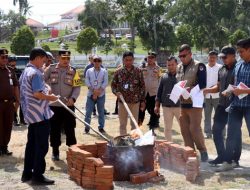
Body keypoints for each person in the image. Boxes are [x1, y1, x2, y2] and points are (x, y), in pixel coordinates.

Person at [19, 48, 58, 184]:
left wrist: (46, 89)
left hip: (30, 114)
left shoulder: (25, 71)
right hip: (40, 115)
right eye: (43, 60)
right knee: (41, 146)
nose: (44, 63)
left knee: (31, 145)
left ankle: (27, 173)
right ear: (37, 58)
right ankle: (37, 175)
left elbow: (32, 89)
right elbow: (37, 94)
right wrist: (50, 97)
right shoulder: (35, 73)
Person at [216, 38, 250, 171]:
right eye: (238, 51)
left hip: (249, 106)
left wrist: (244, 91)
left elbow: (244, 89)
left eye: (241, 51)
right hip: (236, 104)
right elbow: (237, 84)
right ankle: (229, 161)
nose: (239, 54)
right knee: (231, 133)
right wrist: (231, 89)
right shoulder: (239, 65)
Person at [44, 50, 80, 161]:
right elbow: (42, 81)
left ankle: (73, 150)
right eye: (63, 58)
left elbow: (77, 87)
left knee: (70, 128)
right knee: (54, 129)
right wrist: (47, 88)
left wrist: (73, 98)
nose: (66, 60)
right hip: (54, 105)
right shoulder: (50, 69)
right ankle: (55, 152)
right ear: (58, 58)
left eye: (68, 58)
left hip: (68, 105)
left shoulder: (73, 71)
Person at [203, 46, 237, 166]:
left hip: (235, 105)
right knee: (216, 130)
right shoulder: (221, 69)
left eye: (225, 57)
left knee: (234, 133)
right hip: (222, 104)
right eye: (221, 57)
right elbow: (218, 87)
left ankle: (234, 159)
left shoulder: (238, 68)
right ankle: (221, 156)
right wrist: (207, 90)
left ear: (233, 55)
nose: (223, 59)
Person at [176, 44, 208, 162]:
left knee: (194, 128)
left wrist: (190, 89)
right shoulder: (179, 67)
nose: (182, 58)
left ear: (190, 54)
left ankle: (203, 151)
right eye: (180, 56)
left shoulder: (199, 66)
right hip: (183, 103)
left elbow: (203, 84)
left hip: (195, 103)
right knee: (184, 129)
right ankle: (190, 152)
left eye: (184, 55)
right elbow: (179, 82)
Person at [111, 51, 146, 135]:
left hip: (135, 102)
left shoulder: (138, 71)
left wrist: (142, 101)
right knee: (122, 125)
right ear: (123, 60)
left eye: (130, 60)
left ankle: (133, 143)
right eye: (126, 60)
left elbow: (142, 86)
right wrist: (116, 93)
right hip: (122, 103)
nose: (128, 62)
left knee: (134, 124)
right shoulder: (118, 72)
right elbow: (113, 86)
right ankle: (123, 143)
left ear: (133, 60)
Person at [154, 56, 180, 141]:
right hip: (166, 107)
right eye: (168, 65)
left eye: (172, 64)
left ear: (176, 64)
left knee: (184, 127)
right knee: (167, 128)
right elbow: (159, 91)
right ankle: (169, 147)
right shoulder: (163, 76)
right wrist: (157, 106)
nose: (170, 66)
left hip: (179, 106)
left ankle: (188, 147)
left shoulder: (181, 76)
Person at [0, 48, 19, 156]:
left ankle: (4, 147)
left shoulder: (10, 70)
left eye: (6, 57)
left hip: (9, 104)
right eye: (3, 57)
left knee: (8, 125)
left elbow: (16, 86)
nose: (5, 59)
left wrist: (18, 100)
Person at [84, 55, 108, 134]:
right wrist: (94, 91)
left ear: (101, 62)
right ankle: (87, 128)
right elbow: (87, 81)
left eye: (98, 61)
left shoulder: (104, 71)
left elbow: (105, 82)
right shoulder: (89, 71)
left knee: (101, 112)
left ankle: (101, 127)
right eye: (95, 61)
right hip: (90, 94)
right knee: (88, 112)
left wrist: (98, 92)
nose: (97, 62)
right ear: (92, 62)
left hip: (101, 95)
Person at [138, 52, 161, 135]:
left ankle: (152, 129)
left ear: (155, 59)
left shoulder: (158, 68)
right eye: (148, 57)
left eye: (152, 57)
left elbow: (159, 80)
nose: (150, 59)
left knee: (153, 112)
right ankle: (138, 128)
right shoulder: (142, 67)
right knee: (141, 111)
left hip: (153, 93)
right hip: (143, 93)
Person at [204, 51, 221, 139]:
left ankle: (220, 133)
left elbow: (220, 82)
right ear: (208, 57)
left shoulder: (220, 68)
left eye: (214, 57)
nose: (212, 59)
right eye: (210, 57)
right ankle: (207, 133)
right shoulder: (204, 68)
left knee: (218, 116)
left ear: (216, 58)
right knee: (207, 115)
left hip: (217, 96)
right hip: (206, 96)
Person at [8, 55, 25, 126]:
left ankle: (22, 119)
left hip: (18, 90)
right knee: (11, 105)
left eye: (14, 61)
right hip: (10, 91)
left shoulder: (18, 71)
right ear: (9, 62)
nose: (13, 63)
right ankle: (14, 119)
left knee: (20, 103)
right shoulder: (7, 71)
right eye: (12, 61)